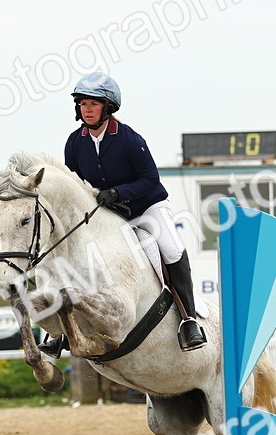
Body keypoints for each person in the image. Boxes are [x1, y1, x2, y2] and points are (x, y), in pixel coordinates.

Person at [41, 71, 206, 357]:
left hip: (146, 207)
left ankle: (188, 320)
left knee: (171, 249)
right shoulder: (74, 142)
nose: (87, 109)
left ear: (108, 108)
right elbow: (74, 184)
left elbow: (151, 180)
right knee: (72, 255)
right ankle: (60, 332)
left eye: (94, 104)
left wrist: (117, 193)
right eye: (83, 104)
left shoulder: (129, 139)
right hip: (107, 214)